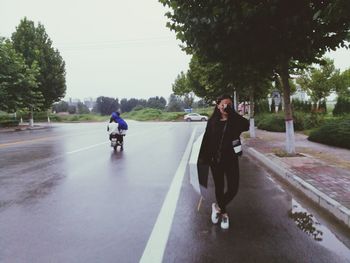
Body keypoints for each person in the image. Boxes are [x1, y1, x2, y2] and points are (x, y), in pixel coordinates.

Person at [198, 95, 249, 229]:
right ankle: (224, 214)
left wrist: (232, 112)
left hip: (231, 160)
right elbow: (206, 140)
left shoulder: (234, 122)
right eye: (223, 104)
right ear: (217, 105)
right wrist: (203, 158)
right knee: (219, 188)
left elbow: (246, 125)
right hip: (216, 161)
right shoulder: (212, 122)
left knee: (233, 188)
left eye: (229, 105)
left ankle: (217, 207)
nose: (225, 107)